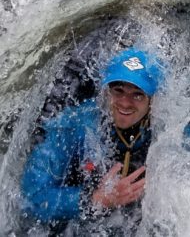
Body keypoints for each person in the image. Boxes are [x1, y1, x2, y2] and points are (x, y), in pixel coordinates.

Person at [21, 47, 164, 223]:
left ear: (152, 101)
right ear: (105, 91)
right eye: (118, 90)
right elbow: (32, 197)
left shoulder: (165, 130)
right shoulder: (72, 126)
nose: (125, 103)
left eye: (138, 95)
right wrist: (95, 200)